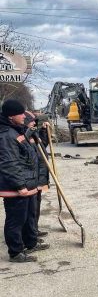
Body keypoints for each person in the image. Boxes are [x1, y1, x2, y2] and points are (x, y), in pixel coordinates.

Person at [0, 99, 49, 263]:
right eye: (20, 113)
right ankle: (15, 252)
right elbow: (9, 163)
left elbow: (30, 152)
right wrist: (20, 185)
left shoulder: (17, 131)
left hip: (28, 184)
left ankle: (30, 243)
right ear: (11, 116)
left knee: (28, 217)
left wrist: (39, 131)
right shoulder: (7, 135)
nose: (24, 116)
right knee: (16, 220)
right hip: (17, 187)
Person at [24, 111, 49, 237]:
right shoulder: (23, 137)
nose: (34, 122)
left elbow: (42, 146)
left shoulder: (34, 134)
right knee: (30, 210)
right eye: (32, 120)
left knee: (36, 207)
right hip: (31, 179)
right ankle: (30, 234)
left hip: (39, 178)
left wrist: (43, 131)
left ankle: (34, 230)